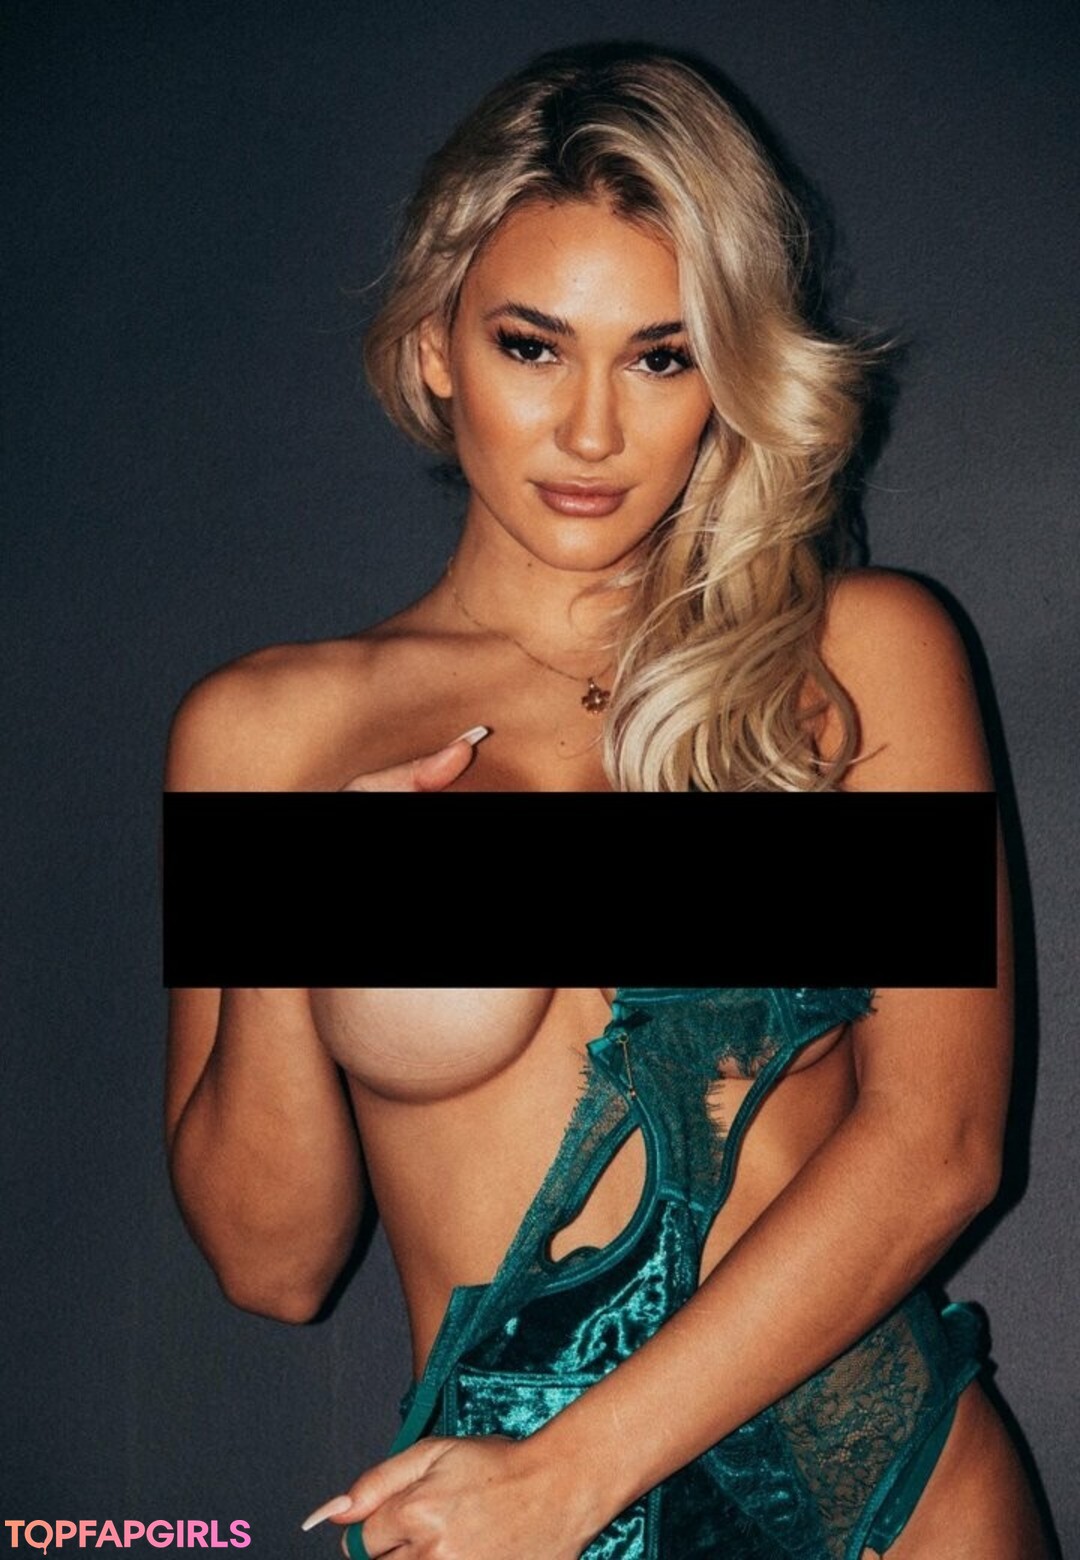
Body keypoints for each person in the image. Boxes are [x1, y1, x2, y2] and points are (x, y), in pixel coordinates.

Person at [164, 44, 1049, 1559]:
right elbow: (273, 1264)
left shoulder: (853, 658)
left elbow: (942, 1143)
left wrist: (570, 1477)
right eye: (532, 347)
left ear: (730, 375)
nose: (591, 432)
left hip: (889, 1495)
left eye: (660, 356)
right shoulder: (271, 730)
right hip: (501, 1509)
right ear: (437, 347)